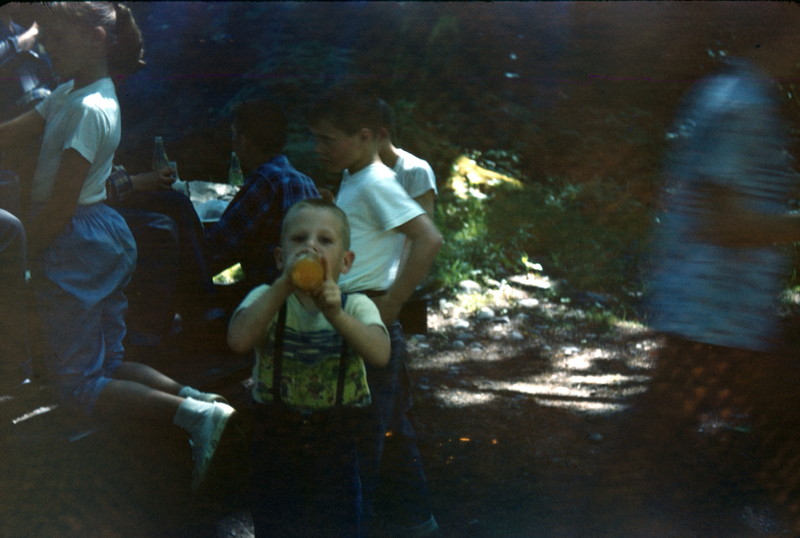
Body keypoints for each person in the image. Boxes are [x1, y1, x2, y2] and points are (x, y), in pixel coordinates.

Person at [0, 2, 237, 493]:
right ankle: (202, 400)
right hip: (98, 237)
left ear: (96, 39)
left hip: (74, 241)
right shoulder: (70, 92)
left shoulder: (91, 108)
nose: (48, 49)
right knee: (107, 363)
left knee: (76, 386)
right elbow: (12, 133)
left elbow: (61, 203)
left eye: (59, 40)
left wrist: (23, 262)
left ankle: (193, 417)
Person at [643, 29, 800, 525]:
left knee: (670, 450)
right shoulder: (742, 104)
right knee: (659, 453)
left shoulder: (727, 92)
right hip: (714, 315)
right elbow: (724, 222)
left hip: (721, 314)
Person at [308, 87, 443, 535]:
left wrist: (391, 305)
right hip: (349, 315)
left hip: (365, 316)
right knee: (375, 435)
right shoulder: (356, 176)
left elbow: (429, 238)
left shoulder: (377, 181)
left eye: (328, 139)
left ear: (365, 136)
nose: (318, 148)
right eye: (316, 138)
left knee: (354, 450)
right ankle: (415, 521)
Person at [228, 198, 390, 536]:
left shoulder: (355, 304)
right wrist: (282, 286)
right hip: (275, 439)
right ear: (279, 256)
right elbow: (239, 340)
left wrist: (337, 316)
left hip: (336, 442)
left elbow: (380, 354)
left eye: (325, 241)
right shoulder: (267, 296)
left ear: (345, 262)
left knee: (337, 524)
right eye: (299, 239)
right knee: (277, 524)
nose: (310, 247)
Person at [205, 100, 320, 299]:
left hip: (265, 289)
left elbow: (218, 245)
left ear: (245, 141)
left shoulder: (265, 180)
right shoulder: (305, 181)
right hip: (301, 285)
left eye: (235, 136)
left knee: (205, 280)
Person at [377, 99, 437, 219]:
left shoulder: (417, 171)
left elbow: (425, 233)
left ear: (382, 134)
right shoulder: (354, 171)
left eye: (364, 137)